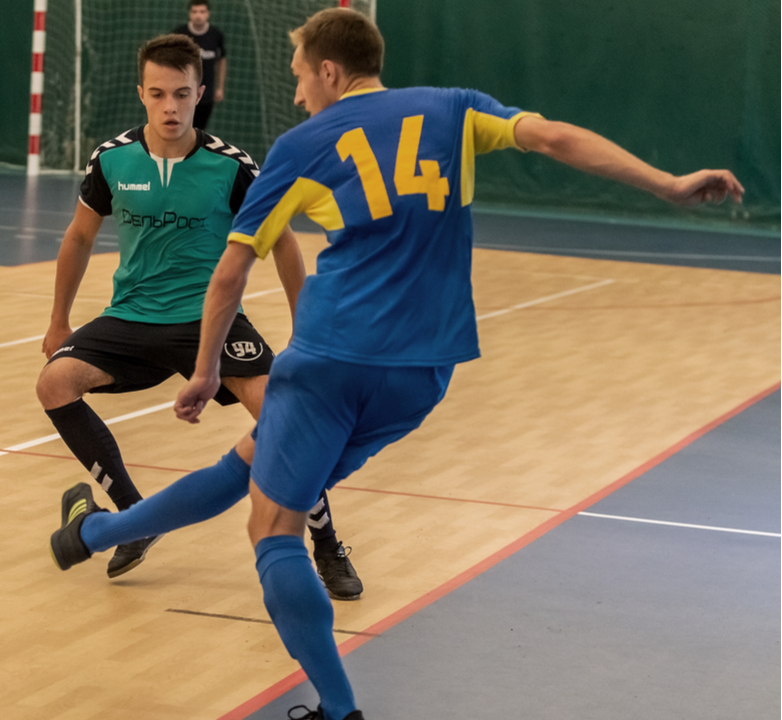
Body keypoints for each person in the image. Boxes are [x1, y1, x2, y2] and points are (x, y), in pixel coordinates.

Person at [50, 9, 743, 720]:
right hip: (423, 373)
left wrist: (202, 373)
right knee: (243, 470)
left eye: (298, 78)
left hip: (330, 361)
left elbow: (228, 277)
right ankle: (93, 534)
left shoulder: (304, 143)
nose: (295, 95)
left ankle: (340, 710)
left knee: (272, 530)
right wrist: (667, 184)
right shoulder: (456, 110)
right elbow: (555, 137)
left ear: (329, 71)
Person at [39, 33, 363, 599]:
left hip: (209, 321)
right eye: (159, 94)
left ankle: (327, 544)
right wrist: (59, 320)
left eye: (182, 94)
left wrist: (304, 329)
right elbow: (78, 237)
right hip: (132, 317)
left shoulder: (230, 166)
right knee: (55, 384)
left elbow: (283, 243)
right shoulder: (111, 159)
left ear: (201, 94)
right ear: (141, 93)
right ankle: (133, 518)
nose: (170, 107)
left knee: (281, 413)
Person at [172, 1, 225, 131]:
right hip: (182, 90)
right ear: (190, 14)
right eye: (195, 12)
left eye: (202, 12)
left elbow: (221, 61)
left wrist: (220, 87)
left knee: (199, 130)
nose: (198, 15)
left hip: (206, 92)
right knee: (181, 127)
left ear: (208, 14)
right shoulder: (179, 33)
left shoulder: (216, 35)